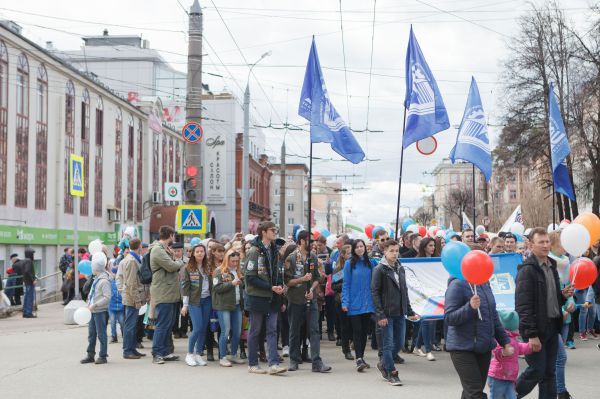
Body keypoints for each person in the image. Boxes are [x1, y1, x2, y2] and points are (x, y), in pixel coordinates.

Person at [515, 227, 574, 399]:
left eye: (547, 241)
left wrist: (563, 296)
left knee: (549, 373)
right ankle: (508, 395)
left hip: (552, 326)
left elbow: (551, 297)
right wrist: (532, 335)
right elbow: (523, 306)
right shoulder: (527, 270)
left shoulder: (551, 265)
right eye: (541, 242)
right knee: (537, 370)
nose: (546, 245)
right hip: (536, 330)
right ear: (531, 245)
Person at [445, 265, 511, 398]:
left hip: (483, 346)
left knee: (471, 392)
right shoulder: (457, 285)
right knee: (475, 393)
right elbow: (450, 318)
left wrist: (505, 342)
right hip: (462, 347)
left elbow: (493, 317)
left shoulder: (484, 284)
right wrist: (469, 307)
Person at [372, 240, 418, 386]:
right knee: (388, 344)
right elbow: (375, 292)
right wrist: (380, 315)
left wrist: (409, 310)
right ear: (385, 252)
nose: (395, 253)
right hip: (386, 313)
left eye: (397, 250)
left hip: (400, 312)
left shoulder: (400, 268)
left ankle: (384, 363)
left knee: (398, 343)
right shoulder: (380, 269)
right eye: (391, 251)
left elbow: (404, 291)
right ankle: (392, 372)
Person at [284, 230, 331, 373]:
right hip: (295, 299)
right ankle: (293, 359)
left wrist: (312, 289)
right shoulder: (291, 258)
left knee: (315, 331)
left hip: (311, 299)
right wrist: (302, 279)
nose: (314, 243)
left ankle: (317, 362)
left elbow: (317, 277)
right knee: (294, 330)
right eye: (310, 241)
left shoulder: (313, 257)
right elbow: (287, 281)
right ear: (302, 241)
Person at [244, 221, 287, 375]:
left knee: (272, 330)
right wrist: (270, 287)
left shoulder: (275, 250)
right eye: (272, 230)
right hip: (257, 297)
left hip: (274, 297)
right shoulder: (254, 251)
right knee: (255, 330)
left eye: (275, 229)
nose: (275, 232)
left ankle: (273, 364)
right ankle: (252, 364)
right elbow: (250, 278)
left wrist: (280, 288)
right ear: (263, 232)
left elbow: (278, 273)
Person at [149, 225, 184, 365]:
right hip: (163, 293)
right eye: (173, 235)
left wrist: (176, 261)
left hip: (170, 293)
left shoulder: (163, 249)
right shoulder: (157, 250)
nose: (174, 238)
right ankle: (157, 353)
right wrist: (181, 261)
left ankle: (165, 352)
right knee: (162, 325)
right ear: (170, 235)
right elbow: (172, 266)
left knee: (168, 325)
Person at [342, 239, 376, 371]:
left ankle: (361, 357)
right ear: (354, 250)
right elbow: (346, 284)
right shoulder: (349, 264)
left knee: (364, 332)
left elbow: (375, 283)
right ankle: (358, 359)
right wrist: (345, 302)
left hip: (368, 303)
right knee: (357, 331)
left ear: (365, 248)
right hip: (354, 303)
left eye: (361, 246)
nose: (360, 249)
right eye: (357, 247)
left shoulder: (371, 263)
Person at [487, 311, 533, 399]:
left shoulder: (513, 338)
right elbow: (496, 351)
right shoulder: (500, 337)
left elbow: (519, 347)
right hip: (498, 377)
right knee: (496, 397)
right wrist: (503, 352)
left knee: (512, 397)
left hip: (509, 377)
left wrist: (529, 347)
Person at [212, 248, 246, 367]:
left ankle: (233, 354)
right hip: (223, 305)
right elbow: (217, 288)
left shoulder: (238, 271)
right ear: (227, 260)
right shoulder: (218, 271)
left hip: (236, 305)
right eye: (233, 261)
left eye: (237, 261)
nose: (235, 263)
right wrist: (231, 284)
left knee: (237, 332)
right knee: (225, 331)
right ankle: (222, 357)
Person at [180, 243, 212, 367]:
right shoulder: (187, 268)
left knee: (204, 328)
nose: (200, 253)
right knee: (197, 328)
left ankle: (198, 354)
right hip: (194, 301)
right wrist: (185, 305)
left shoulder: (208, 266)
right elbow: (185, 288)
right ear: (193, 253)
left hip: (207, 300)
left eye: (202, 251)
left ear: (205, 253)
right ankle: (189, 354)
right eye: (197, 251)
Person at [80, 254, 112, 365]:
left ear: (96, 268)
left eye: (92, 267)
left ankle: (103, 355)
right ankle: (90, 354)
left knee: (101, 334)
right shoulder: (96, 279)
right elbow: (92, 293)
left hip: (100, 311)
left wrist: (95, 305)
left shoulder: (104, 281)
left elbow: (107, 297)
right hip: (93, 310)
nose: (91, 269)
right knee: (91, 333)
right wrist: (88, 303)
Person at [412, 237, 440, 361]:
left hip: (434, 294)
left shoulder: (436, 260)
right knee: (425, 321)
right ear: (424, 247)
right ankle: (428, 350)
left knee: (430, 321)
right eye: (430, 245)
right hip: (422, 296)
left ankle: (417, 347)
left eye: (433, 245)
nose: (433, 248)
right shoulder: (417, 261)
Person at [119, 238, 146, 359]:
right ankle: (127, 350)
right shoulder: (131, 261)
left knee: (132, 324)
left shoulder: (133, 258)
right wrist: (137, 299)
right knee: (129, 325)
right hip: (131, 297)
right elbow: (131, 282)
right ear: (139, 246)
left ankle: (132, 348)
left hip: (132, 296)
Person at [331, 244, 353, 359]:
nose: (351, 255)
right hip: (342, 300)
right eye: (349, 253)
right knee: (345, 326)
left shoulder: (356, 266)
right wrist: (346, 284)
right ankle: (346, 349)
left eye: (352, 253)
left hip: (355, 300)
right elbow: (334, 286)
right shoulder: (339, 269)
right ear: (343, 255)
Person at [19, 249, 37, 318]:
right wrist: (33, 279)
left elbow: (25, 271)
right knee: (30, 297)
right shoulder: (29, 261)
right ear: (30, 254)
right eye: (32, 254)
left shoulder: (24, 261)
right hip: (29, 282)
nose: (33, 255)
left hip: (26, 281)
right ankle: (29, 312)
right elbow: (27, 271)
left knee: (27, 297)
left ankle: (25, 312)